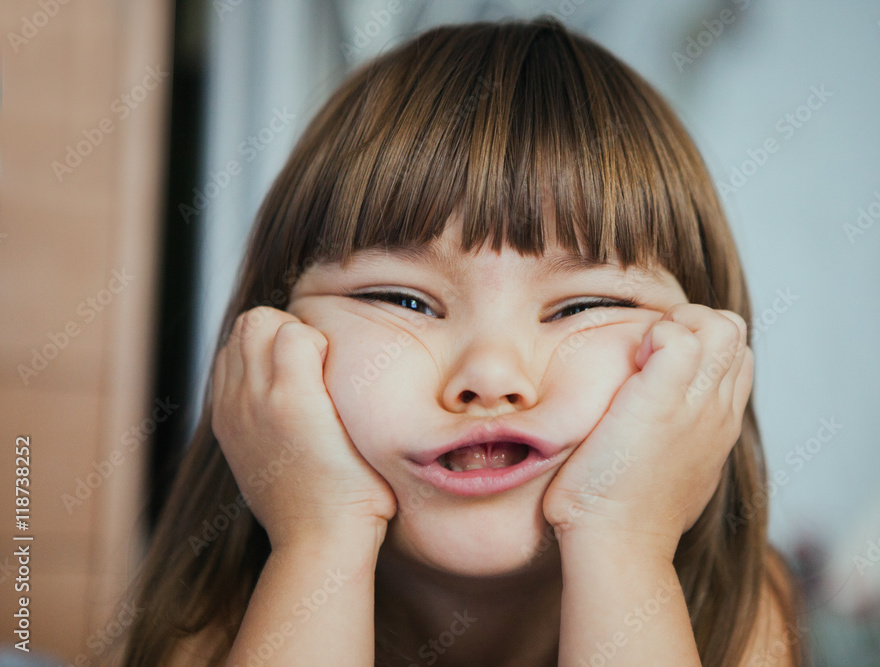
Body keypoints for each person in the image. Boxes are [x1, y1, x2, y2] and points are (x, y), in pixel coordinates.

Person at [111, 16, 806, 667]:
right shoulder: (214, 622)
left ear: (707, 354)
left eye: (586, 304)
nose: (491, 375)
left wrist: (623, 545)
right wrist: (319, 543)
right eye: (402, 299)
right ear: (267, 346)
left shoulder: (741, 608)